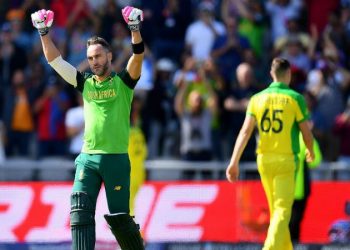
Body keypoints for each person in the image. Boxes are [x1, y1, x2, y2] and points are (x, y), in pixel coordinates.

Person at [31, 6, 145, 250]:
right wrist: (43, 32)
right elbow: (55, 60)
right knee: (80, 211)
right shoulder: (85, 84)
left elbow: (137, 58)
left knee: (120, 220)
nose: (94, 62)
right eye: (91, 57)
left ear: (110, 56)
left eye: (98, 56)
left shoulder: (124, 83)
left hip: (115, 160)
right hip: (87, 159)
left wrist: (134, 30)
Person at [226, 58, 315, 250]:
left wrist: (234, 162)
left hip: (264, 160)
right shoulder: (295, 98)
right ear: (288, 74)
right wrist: (311, 149)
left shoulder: (257, 98)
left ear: (271, 74)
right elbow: (306, 132)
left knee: (276, 212)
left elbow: (245, 132)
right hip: (285, 160)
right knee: (283, 211)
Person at [289, 133, 322, 242]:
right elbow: (315, 162)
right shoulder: (306, 139)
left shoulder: (288, 137)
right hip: (297, 189)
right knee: (294, 222)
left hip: (289, 188)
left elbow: (315, 162)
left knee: (289, 222)